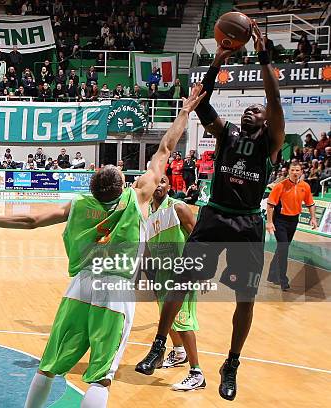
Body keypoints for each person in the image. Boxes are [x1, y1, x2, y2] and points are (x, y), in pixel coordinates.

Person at [0, 83, 207, 408]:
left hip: (80, 286)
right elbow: (164, 149)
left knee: (49, 367)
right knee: (101, 375)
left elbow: (32, 220)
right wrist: (185, 111)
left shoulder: (77, 206)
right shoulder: (137, 199)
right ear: (121, 185)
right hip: (116, 289)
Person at [135, 23, 285, 402]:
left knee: (245, 299)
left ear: (266, 119)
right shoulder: (227, 134)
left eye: (257, 108)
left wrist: (264, 56)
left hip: (248, 222)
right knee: (180, 283)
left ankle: (231, 362)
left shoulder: (271, 143)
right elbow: (201, 101)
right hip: (215, 214)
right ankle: (157, 344)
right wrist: (217, 60)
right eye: (248, 108)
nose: (252, 110)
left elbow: (275, 101)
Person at [146, 175, 204, 391]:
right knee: (165, 317)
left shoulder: (178, 208)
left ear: (169, 186)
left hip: (181, 273)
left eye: (163, 181)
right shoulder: (149, 212)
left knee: (183, 322)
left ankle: (197, 372)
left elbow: (198, 237)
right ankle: (179, 352)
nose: (159, 186)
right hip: (161, 274)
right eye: (156, 182)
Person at [266, 162, 317, 290]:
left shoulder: (305, 186)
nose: (295, 172)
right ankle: (283, 280)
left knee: (282, 248)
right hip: (280, 221)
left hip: (294, 221)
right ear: (288, 172)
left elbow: (310, 203)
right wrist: (269, 222)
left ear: (301, 172)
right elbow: (270, 204)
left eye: (297, 170)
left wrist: (313, 218)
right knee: (284, 248)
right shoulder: (280, 186)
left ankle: (272, 275)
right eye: (292, 170)